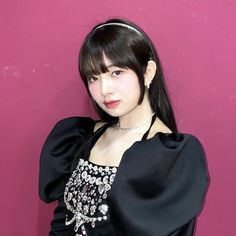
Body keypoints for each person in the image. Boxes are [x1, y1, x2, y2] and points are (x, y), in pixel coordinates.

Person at [39, 18, 209, 236]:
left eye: (116, 73)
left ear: (148, 72)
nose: (104, 89)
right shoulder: (80, 137)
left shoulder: (172, 155)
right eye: (93, 77)